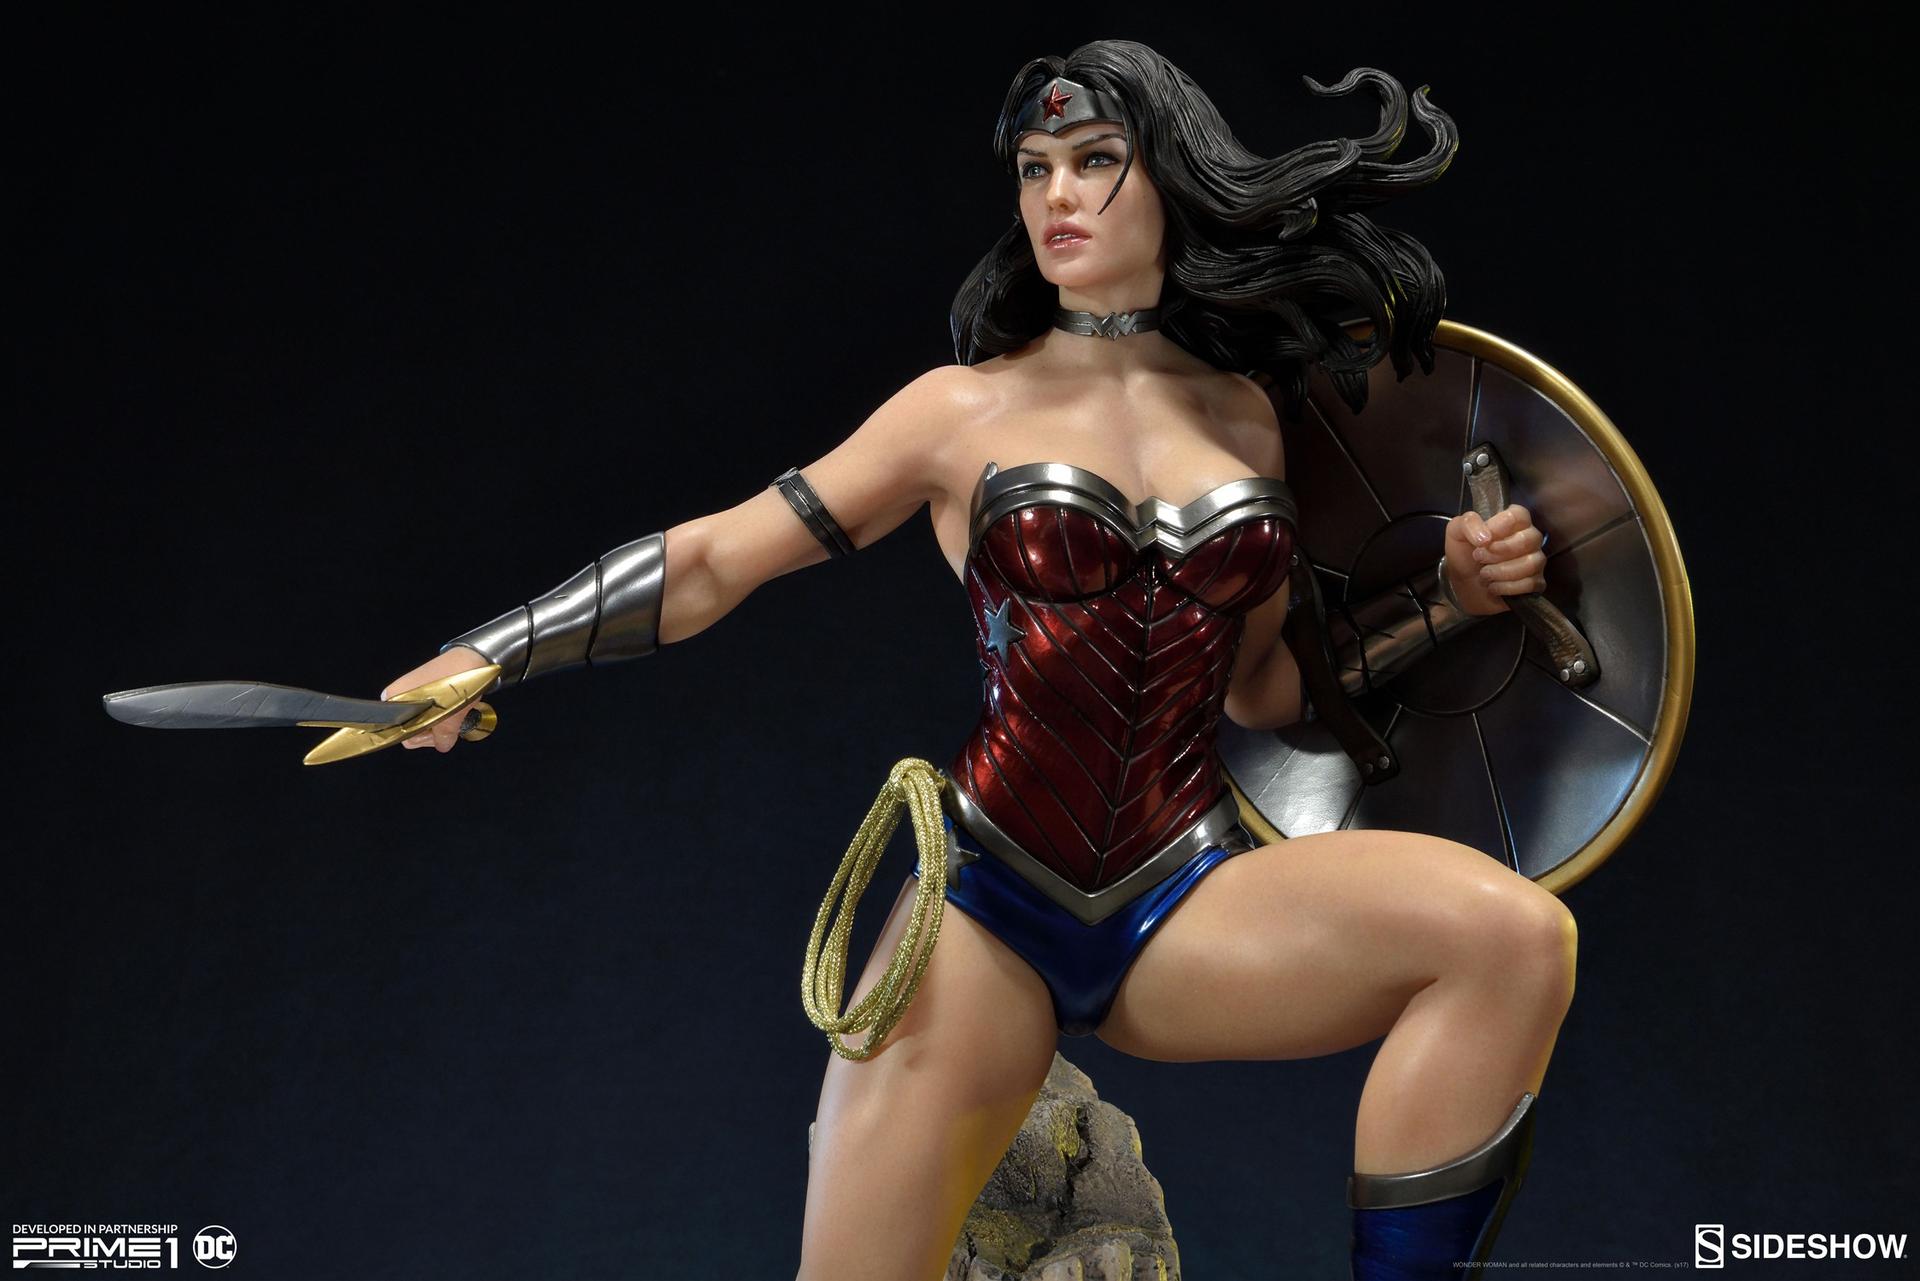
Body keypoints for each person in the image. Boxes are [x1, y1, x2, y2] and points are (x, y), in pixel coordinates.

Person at [379, 40, 1571, 1281]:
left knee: (1512, 940)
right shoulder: (959, 410)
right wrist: (487, 652)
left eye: (1095, 161)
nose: (1058, 195)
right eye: (1035, 168)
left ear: (1171, 176)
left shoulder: (1247, 416)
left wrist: (1448, 599)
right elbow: (722, 559)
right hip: (988, 905)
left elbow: (1265, 691)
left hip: (1184, 895)